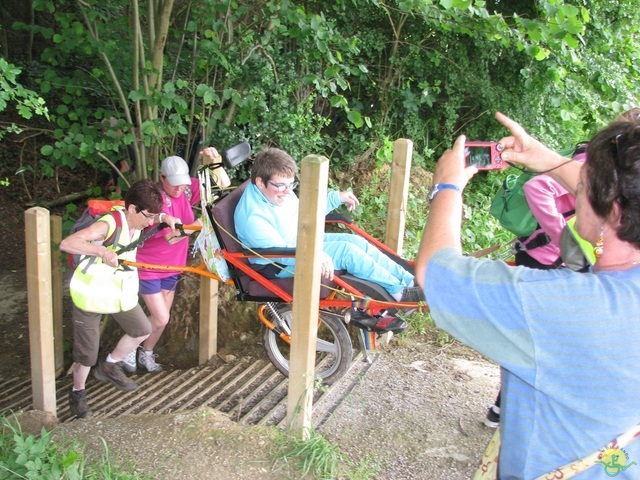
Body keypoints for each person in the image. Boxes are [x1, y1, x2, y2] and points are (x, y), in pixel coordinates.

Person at [415, 112, 640, 478]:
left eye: (585, 186)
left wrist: (446, 188)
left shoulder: (563, 307)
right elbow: (618, 204)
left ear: (611, 209)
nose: (578, 190)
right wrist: (549, 161)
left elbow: (436, 273)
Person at [234, 147, 424, 303]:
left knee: (354, 241)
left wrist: (335, 198)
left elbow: (302, 214)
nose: (287, 191)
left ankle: (408, 280)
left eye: (291, 184)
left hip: (294, 239)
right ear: (260, 182)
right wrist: (316, 255)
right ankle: (398, 292)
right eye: (281, 185)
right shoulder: (253, 218)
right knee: (346, 252)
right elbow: (282, 254)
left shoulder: (273, 191)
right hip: (276, 262)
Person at [483, 144, 587, 429]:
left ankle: (505, 407)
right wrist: (565, 241)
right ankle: (507, 408)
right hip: (547, 262)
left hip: (556, 262)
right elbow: (537, 187)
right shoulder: (591, 166)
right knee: (538, 341)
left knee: (539, 340)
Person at [60, 179, 180, 419]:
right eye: (147, 215)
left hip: (117, 293)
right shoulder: (108, 224)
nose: (149, 222)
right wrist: (102, 251)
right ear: (132, 208)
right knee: (87, 354)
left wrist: (164, 218)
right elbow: (67, 243)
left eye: (152, 216)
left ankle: (110, 365)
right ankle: (77, 394)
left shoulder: (140, 219)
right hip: (91, 294)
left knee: (142, 329)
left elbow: (153, 218)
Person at [124, 148, 228, 373]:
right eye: (174, 185)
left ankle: (147, 353)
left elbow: (221, 186)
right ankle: (125, 351)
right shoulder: (156, 200)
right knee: (161, 318)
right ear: (162, 179)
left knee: (162, 318)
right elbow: (172, 237)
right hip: (150, 266)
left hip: (173, 266)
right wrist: (199, 224)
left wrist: (215, 163)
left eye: (182, 184)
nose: (179, 189)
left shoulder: (188, 189)